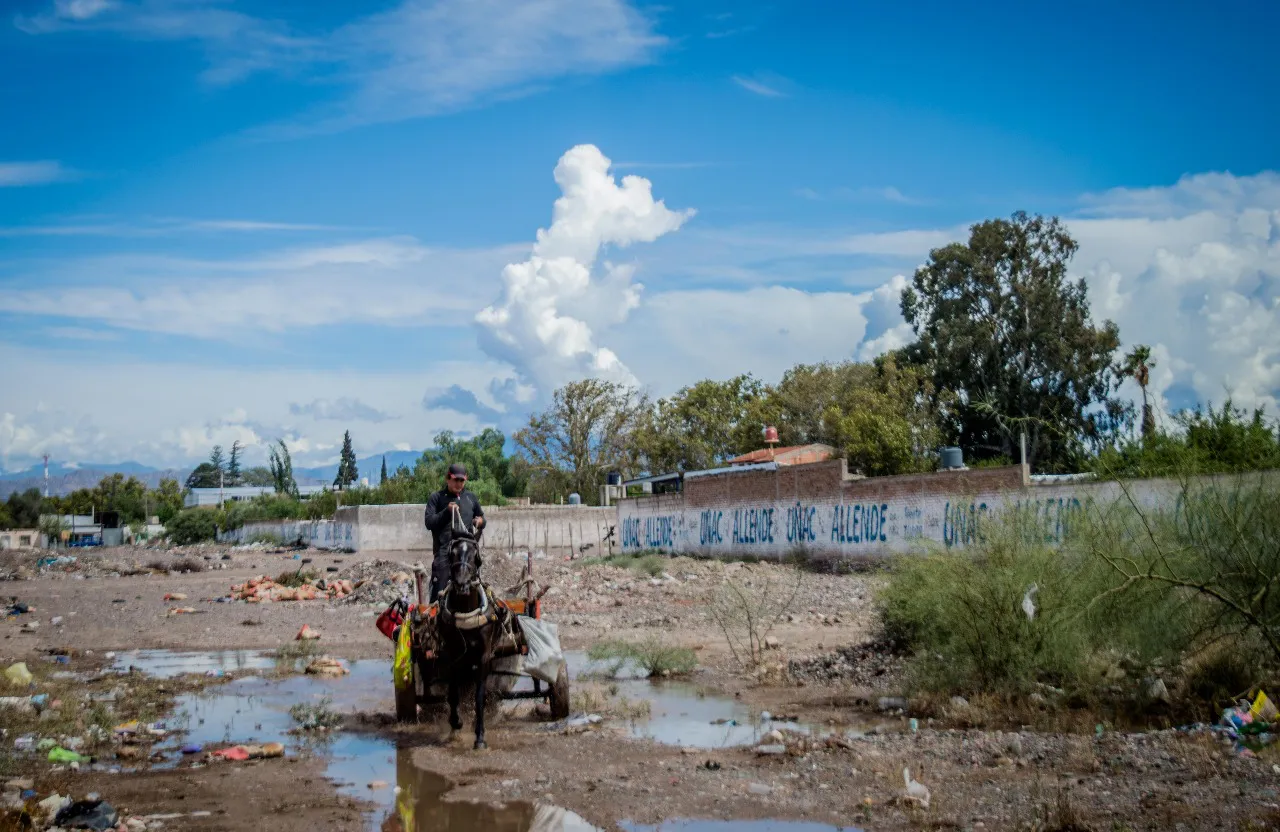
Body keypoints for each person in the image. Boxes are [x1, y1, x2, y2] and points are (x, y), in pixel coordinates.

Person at [424, 462, 485, 601]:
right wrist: (447, 511)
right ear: (448, 478)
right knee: (441, 584)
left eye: (461, 480)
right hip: (445, 550)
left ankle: (483, 605)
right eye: (455, 480)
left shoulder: (471, 497)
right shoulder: (437, 498)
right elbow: (429, 523)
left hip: (466, 549)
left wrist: (480, 522)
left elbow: (482, 518)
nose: (459, 483)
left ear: (466, 479)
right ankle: (435, 608)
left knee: (477, 581)